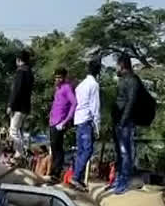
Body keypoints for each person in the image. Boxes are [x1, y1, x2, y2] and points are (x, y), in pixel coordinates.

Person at [107, 54, 140, 195]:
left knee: (126, 152)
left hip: (125, 123)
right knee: (119, 153)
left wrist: (123, 120)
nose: (116, 68)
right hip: (118, 121)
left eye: (117, 66)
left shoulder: (132, 81)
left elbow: (131, 102)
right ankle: (118, 179)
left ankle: (124, 181)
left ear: (122, 65)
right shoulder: (122, 80)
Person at [69, 58, 102, 192]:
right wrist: (97, 126)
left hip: (78, 120)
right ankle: (76, 177)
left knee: (81, 151)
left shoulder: (81, 85)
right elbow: (95, 106)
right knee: (87, 150)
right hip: (86, 121)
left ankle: (78, 178)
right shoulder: (94, 85)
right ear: (98, 71)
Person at [48, 67, 77, 184]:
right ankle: (53, 172)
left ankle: (56, 173)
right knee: (54, 148)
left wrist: (65, 121)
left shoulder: (67, 88)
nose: (57, 79)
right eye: (56, 77)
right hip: (52, 121)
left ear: (64, 77)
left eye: (60, 77)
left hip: (60, 122)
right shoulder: (58, 89)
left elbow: (74, 103)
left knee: (58, 148)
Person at [7, 49, 34, 162]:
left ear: (18, 60)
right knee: (18, 131)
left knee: (13, 130)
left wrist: (11, 105)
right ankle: (20, 152)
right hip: (26, 107)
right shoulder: (30, 73)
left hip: (18, 107)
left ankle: (20, 153)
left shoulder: (20, 72)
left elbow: (16, 90)